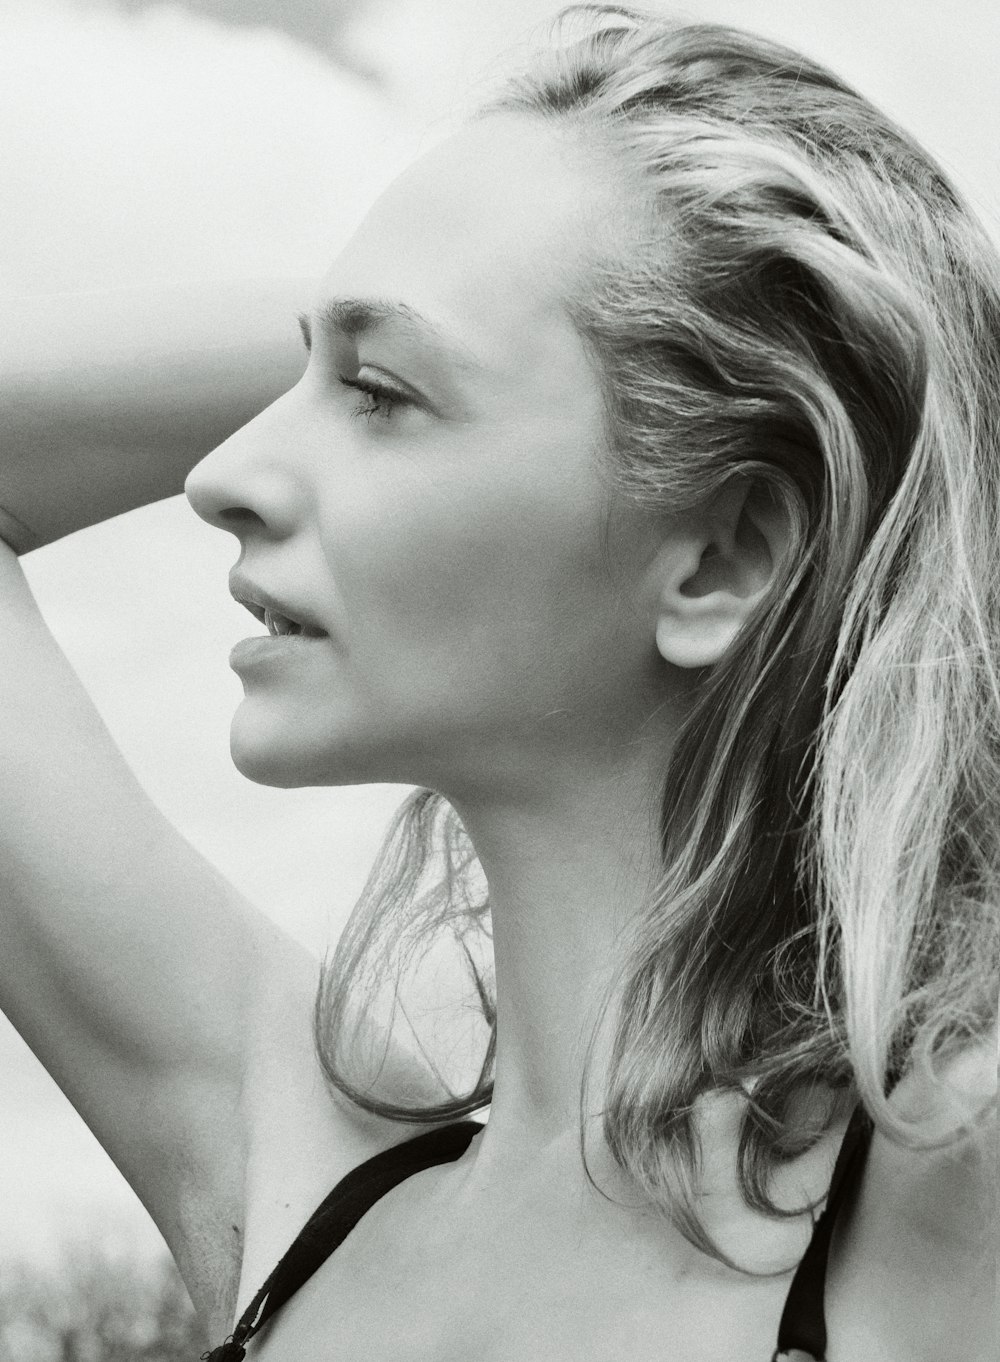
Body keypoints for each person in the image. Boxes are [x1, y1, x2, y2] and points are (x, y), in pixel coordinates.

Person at [1, 8, 996, 1360]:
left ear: (722, 552)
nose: (218, 476)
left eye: (381, 395)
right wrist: (398, 315)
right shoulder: (293, 1183)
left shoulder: (956, 1175)